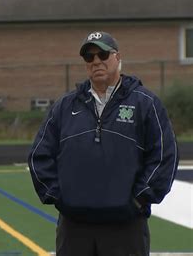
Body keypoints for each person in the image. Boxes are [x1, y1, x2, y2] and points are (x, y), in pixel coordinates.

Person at [28, 31, 179, 256]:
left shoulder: (145, 103)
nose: (96, 61)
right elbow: (39, 155)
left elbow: (165, 155)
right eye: (89, 57)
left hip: (126, 227)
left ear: (118, 58)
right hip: (74, 228)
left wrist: (138, 201)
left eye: (103, 54)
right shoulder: (64, 106)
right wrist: (59, 198)